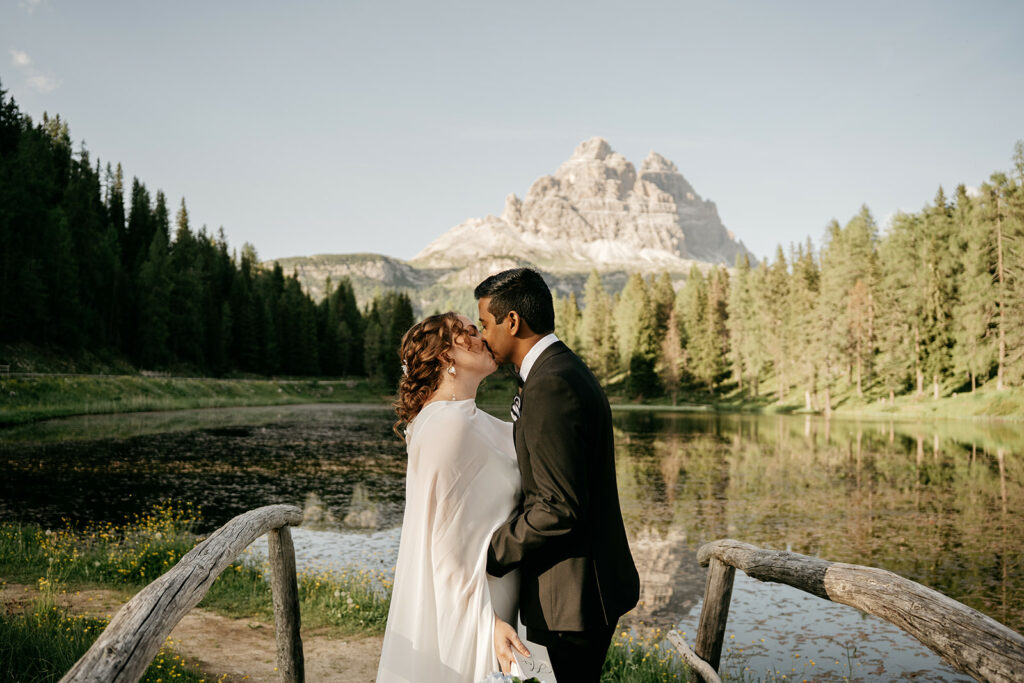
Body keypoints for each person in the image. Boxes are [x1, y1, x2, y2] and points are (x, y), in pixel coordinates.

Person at [475, 268, 640, 683]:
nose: (483, 337)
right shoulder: (558, 369)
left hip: (570, 600)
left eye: (485, 324)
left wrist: (489, 553)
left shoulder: (550, 384)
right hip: (572, 594)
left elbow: (558, 507)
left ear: (513, 321)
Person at [376, 312, 530, 683]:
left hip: (496, 587)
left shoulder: (458, 418)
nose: (483, 338)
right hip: (478, 600)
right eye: (470, 332)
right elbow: (443, 545)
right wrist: (488, 622)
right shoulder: (449, 424)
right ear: (446, 355)